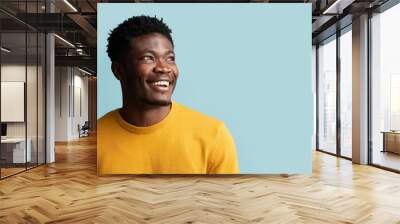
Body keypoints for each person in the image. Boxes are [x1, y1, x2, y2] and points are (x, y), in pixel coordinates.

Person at [98, 15, 239, 174]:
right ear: (118, 70)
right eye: (148, 58)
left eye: (170, 58)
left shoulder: (213, 135)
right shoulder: (95, 140)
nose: (164, 68)